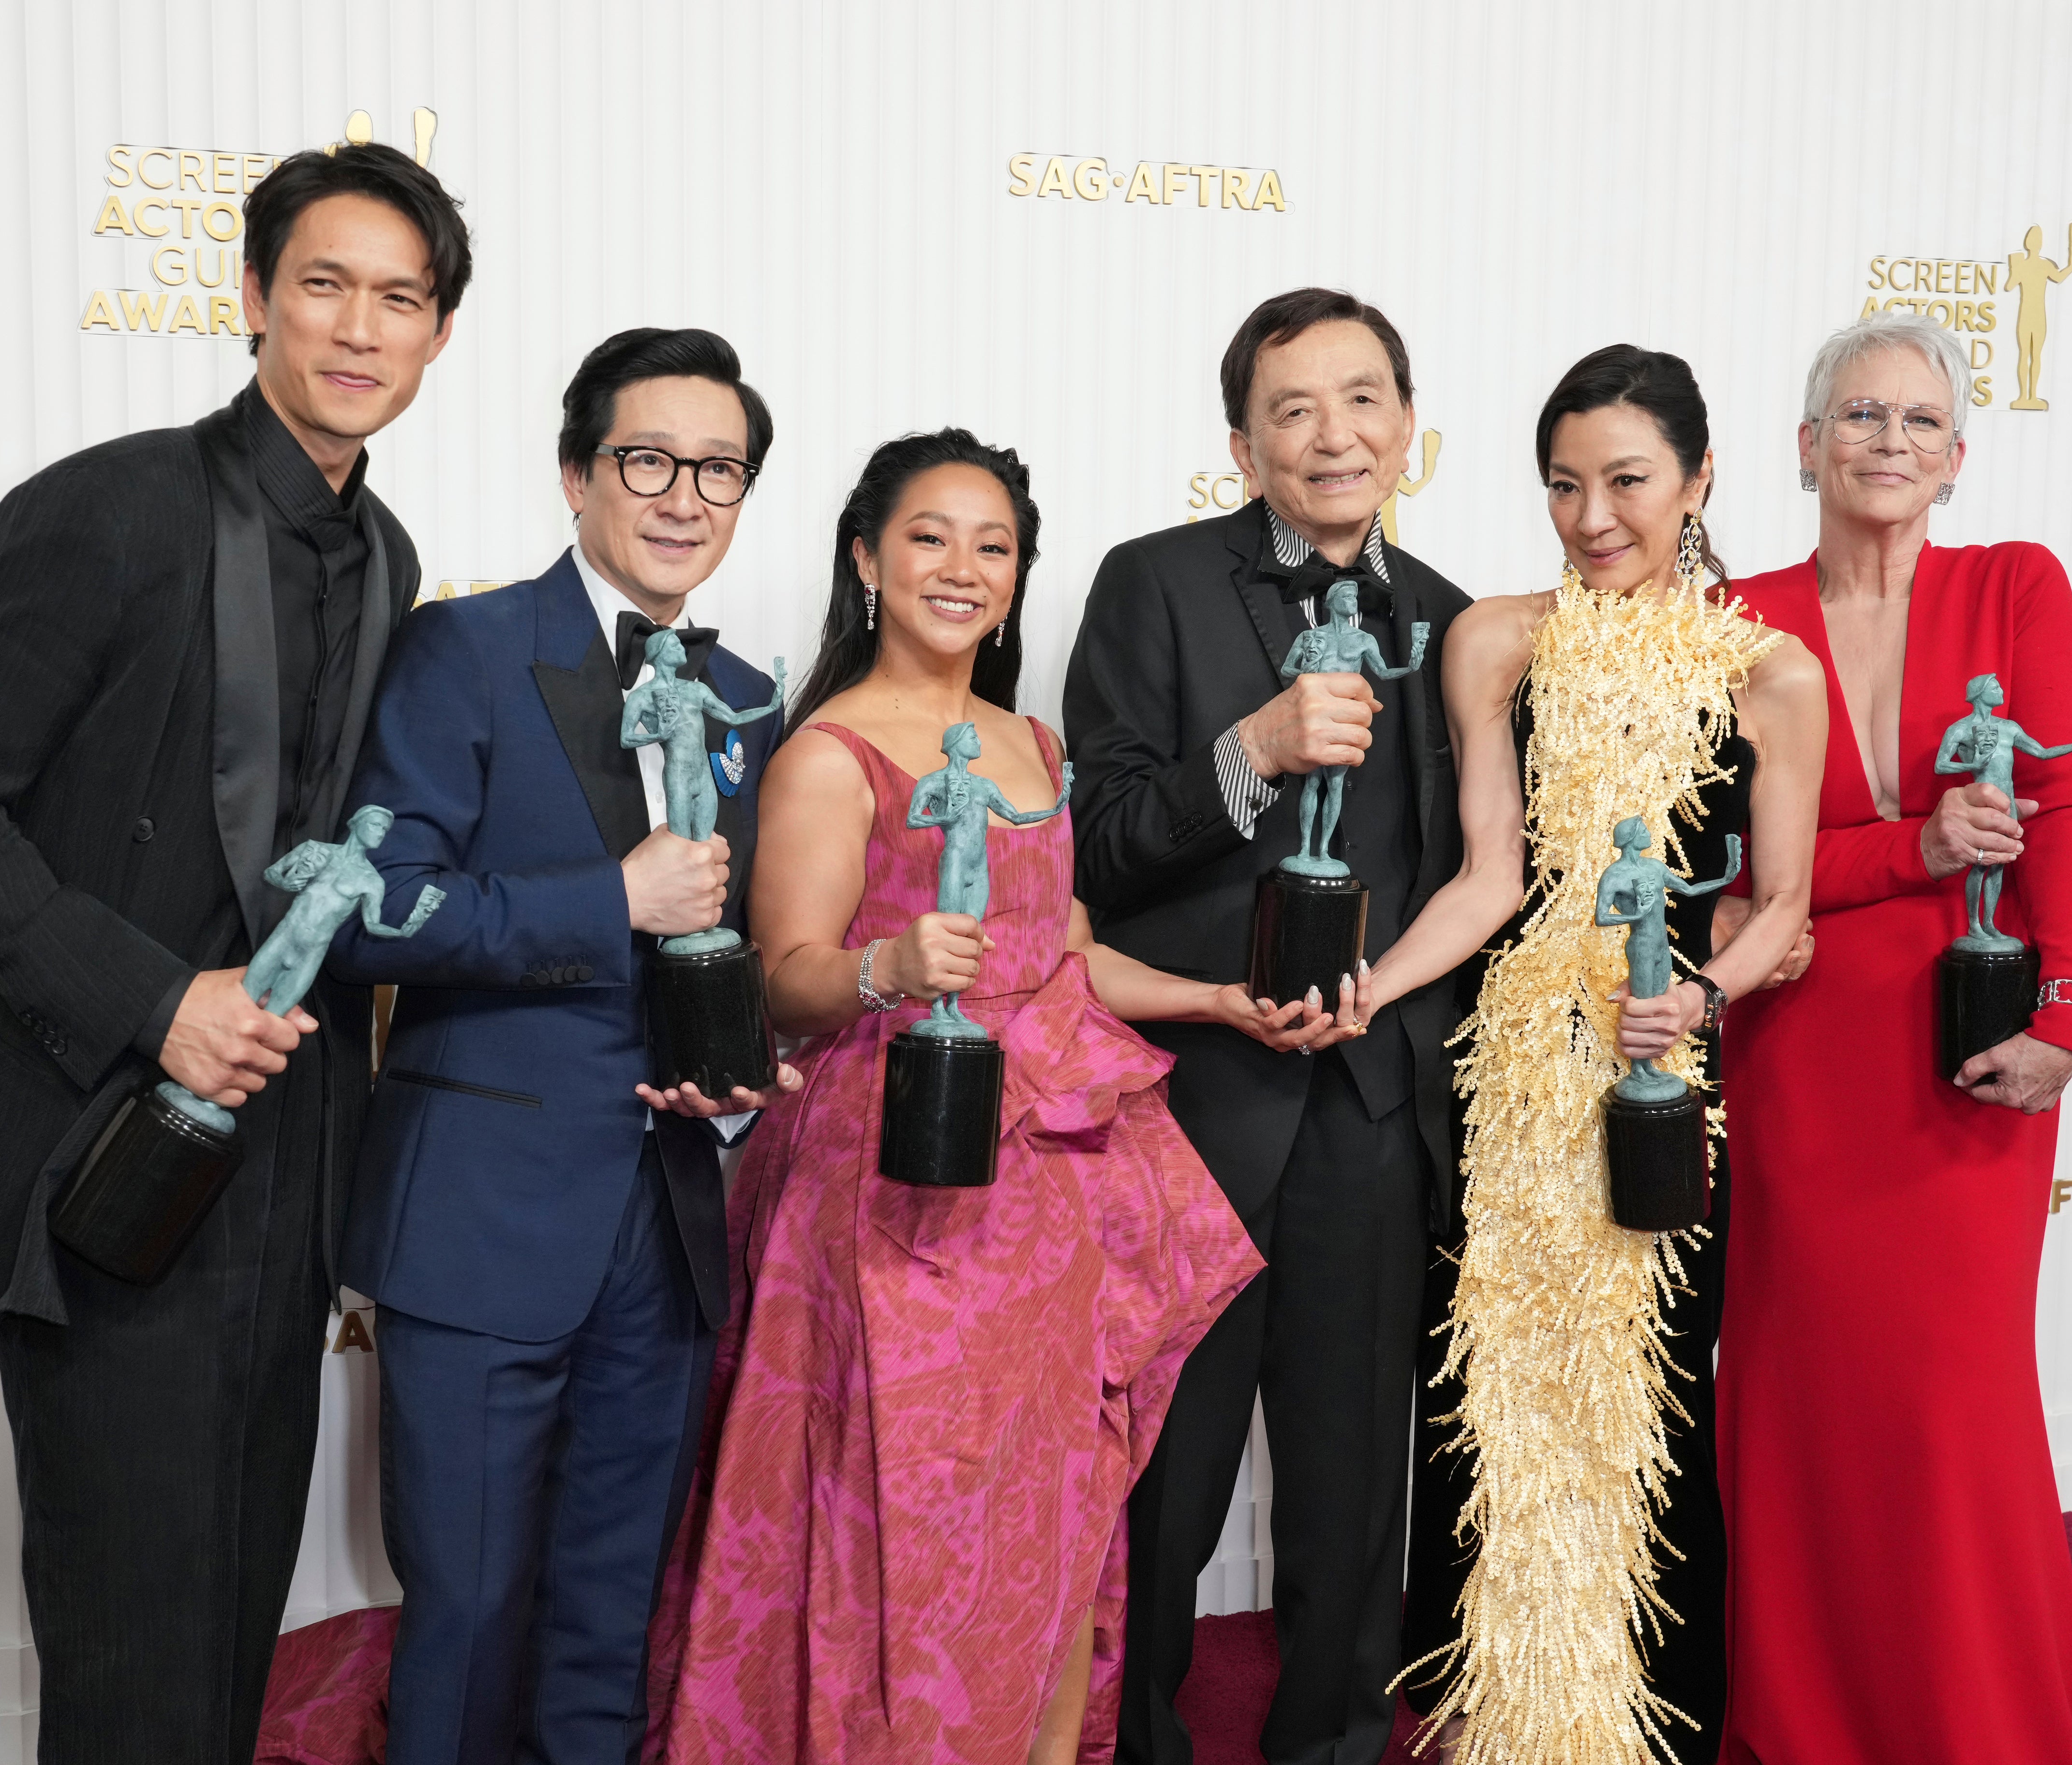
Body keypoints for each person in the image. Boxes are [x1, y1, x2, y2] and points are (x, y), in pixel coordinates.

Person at [0, 142, 468, 1761]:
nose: (358, 328)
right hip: (92, 1145)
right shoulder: (109, 507)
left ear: (437, 336)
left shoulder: (388, 551)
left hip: (280, 1159)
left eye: (398, 299)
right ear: (255, 294)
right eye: (324, 285)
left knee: (227, 1626)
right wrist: (158, 1001)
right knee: (130, 1648)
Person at [645, 430, 1264, 1765]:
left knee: (1046, 1516)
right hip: (888, 1195)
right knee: (898, 1522)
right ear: (867, 559)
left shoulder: (1031, 741)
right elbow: (783, 979)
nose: (963, 569)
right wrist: (886, 963)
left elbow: (1066, 948)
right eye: (930, 537)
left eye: (994, 547)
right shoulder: (829, 753)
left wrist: (1217, 1002)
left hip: (1045, 1209)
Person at [323, 328, 797, 1765]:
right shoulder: (462, 649)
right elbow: (369, 909)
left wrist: (744, 1070)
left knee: (609, 1626)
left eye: (719, 470)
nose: (682, 497)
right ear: (580, 474)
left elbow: (739, 944)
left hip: (663, 1231)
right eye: (648, 459)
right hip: (481, 1221)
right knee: (466, 1618)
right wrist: (611, 900)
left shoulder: (746, 701)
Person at [1356, 346, 1820, 1762]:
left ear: (1699, 477)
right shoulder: (1497, 638)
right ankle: (1504, 1712)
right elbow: (1494, 877)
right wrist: (1370, 990)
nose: (1593, 515)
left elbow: (1784, 902)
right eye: (1565, 484)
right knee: (1493, 1384)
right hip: (1516, 1072)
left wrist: (1698, 998)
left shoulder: (1770, 668)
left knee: (1652, 1395)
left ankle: (1651, 1728)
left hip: (1660, 1074)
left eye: (1626, 480)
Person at [1062, 287, 1473, 1765]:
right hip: (1194, 1104)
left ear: (1409, 427)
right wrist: (1248, 750)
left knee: (1356, 1487)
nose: (1334, 434)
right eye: (1293, 408)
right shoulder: (1151, 584)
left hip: (1371, 1111)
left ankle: (1335, 1746)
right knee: (1157, 1482)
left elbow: (1468, 873)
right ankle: (1133, 1743)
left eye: (1364, 399)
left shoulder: (1456, 618)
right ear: (1242, 442)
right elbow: (1097, 847)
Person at [1716, 312, 2072, 1765]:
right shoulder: (1733, 619)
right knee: (1802, 1399)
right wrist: (1915, 849)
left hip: (1971, 1033)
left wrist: (2068, 1007)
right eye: (1860, 417)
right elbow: (1731, 889)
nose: (1890, 444)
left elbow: (2061, 812)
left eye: (1919, 423)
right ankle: (1809, 1727)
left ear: (1958, 456)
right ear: (1806, 444)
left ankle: (1981, 1728)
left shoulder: (2017, 587)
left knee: (1953, 1406)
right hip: (1798, 1043)